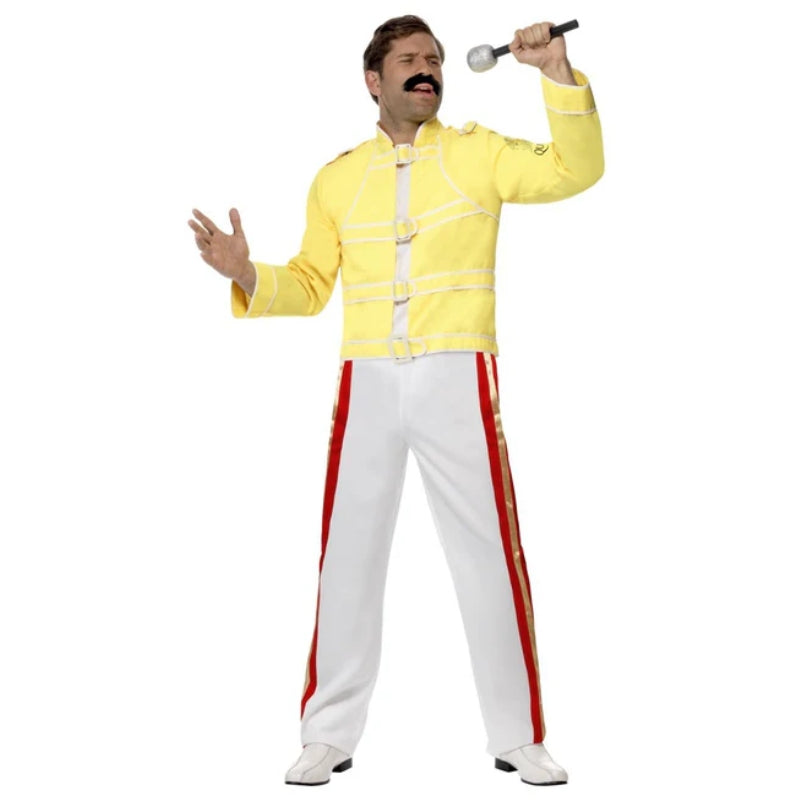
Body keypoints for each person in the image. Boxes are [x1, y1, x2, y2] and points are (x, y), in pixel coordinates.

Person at [188, 14, 603, 787]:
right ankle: (327, 733)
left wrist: (556, 75)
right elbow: (310, 286)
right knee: (347, 556)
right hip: (368, 380)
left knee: (490, 555)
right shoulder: (337, 178)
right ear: (372, 79)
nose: (427, 69)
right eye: (409, 59)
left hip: (458, 373)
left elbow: (573, 171)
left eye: (435, 59)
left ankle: (519, 735)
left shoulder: (479, 153)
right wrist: (246, 274)